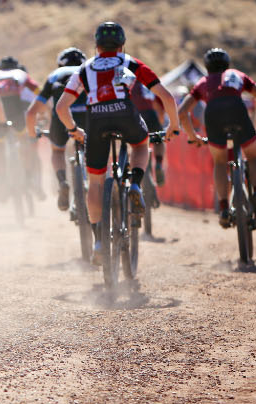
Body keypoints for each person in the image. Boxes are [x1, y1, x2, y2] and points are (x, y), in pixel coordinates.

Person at [53, 22, 181, 265]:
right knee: (142, 145)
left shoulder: (84, 68)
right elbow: (165, 95)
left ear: (97, 46)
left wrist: (73, 129)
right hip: (126, 115)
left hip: (96, 121)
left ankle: (99, 240)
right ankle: (134, 184)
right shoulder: (130, 62)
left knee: (95, 183)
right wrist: (173, 126)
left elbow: (61, 107)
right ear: (122, 44)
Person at [176, 47, 256, 229]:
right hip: (237, 111)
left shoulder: (203, 82)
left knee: (220, 162)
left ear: (207, 67)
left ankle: (224, 208)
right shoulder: (236, 75)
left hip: (213, 115)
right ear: (227, 64)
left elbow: (182, 112)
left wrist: (194, 137)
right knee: (255, 158)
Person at [24, 47, 89, 213]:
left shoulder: (54, 76)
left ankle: (62, 182)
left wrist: (32, 138)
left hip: (61, 117)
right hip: (88, 115)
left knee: (58, 151)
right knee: (96, 153)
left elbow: (32, 112)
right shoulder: (89, 69)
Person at [0, 54, 41, 202]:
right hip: (16, 110)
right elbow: (38, 91)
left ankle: (1, 178)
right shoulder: (20, 74)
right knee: (24, 140)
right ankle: (28, 175)